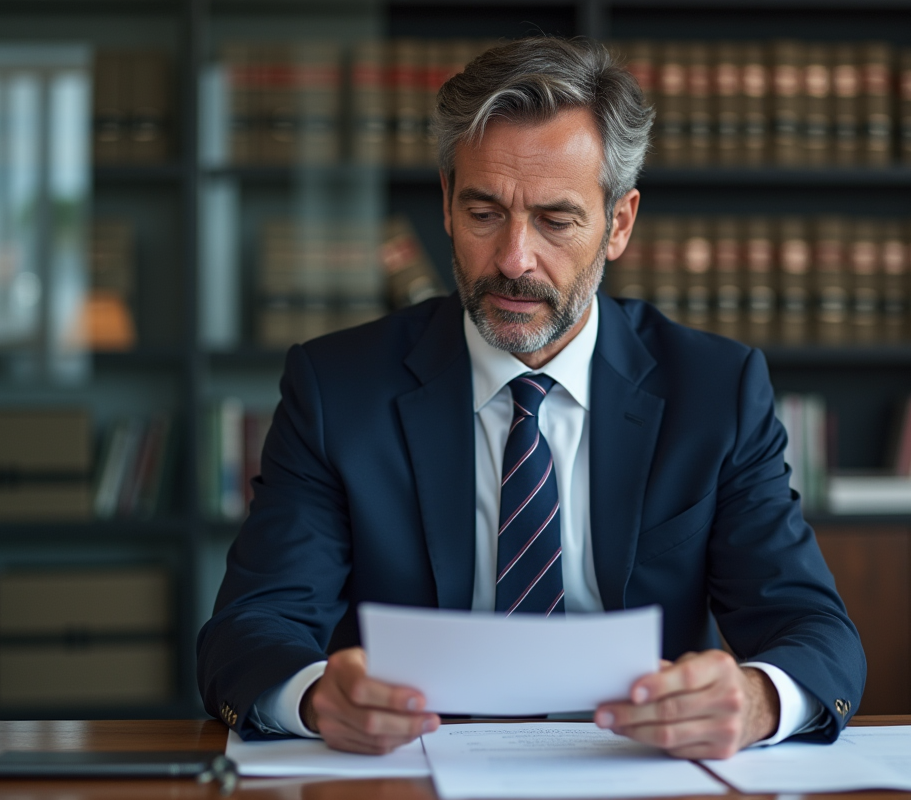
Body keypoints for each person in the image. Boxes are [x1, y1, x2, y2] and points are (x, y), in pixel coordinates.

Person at [197, 35, 865, 761]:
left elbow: (813, 630)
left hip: (636, 770)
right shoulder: (338, 388)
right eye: (485, 213)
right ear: (447, 204)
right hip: (409, 769)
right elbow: (250, 629)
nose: (514, 260)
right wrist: (315, 696)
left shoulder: (715, 390)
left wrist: (757, 700)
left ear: (619, 223)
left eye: (555, 220)